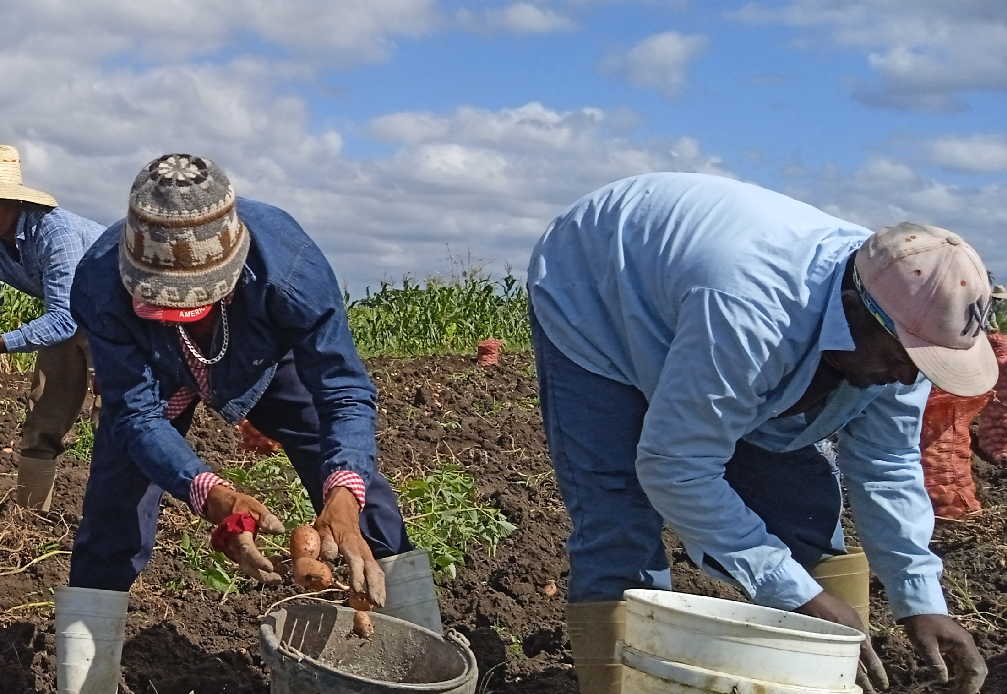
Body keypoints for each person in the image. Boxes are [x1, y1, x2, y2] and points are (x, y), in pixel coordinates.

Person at [527, 173, 993, 694]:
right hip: (597, 285)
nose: (909, 378)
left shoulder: (909, 323)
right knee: (618, 512)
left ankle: (836, 678)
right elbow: (676, 466)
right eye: (904, 359)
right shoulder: (753, 315)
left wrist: (919, 601)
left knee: (801, 501)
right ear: (857, 313)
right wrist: (794, 593)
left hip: (713, 314)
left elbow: (886, 467)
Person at [56, 153, 438, 693]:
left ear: (231, 275)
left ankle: (419, 662)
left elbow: (343, 388)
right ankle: (85, 681)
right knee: (113, 508)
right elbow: (137, 412)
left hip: (262, 359)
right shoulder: (99, 282)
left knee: (361, 494)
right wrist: (211, 494)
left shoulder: (291, 268)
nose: (181, 313)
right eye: (163, 303)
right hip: (158, 373)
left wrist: (345, 492)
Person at [0, 145, 103, 512]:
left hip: (116, 322)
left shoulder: (53, 232)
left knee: (115, 424)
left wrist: (3, 342)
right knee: (44, 415)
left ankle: (112, 532)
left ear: (9, 202)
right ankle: (29, 520)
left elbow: (64, 319)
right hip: (68, 316)